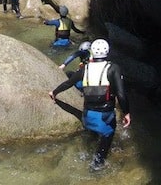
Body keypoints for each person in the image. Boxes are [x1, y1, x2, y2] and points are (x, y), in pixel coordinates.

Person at [49, 39, 131, 172]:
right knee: (107, 139)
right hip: (105, 116)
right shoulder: (113, 68)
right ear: (107, 52)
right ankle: (96, 166)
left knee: (91, 137)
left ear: (92, 52)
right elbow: (121, 94)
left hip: (87, 116)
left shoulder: (85, 68)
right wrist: (126, 113)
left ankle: (89, 145)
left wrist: (54, 92)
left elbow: (68, 83)